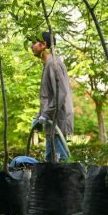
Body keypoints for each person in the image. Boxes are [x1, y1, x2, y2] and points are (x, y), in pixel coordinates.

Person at [30, 32, 74, 162]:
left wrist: (46, 115)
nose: (31, 46)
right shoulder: (48, 64)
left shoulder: (53, 64)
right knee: (50, 161)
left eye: (34, 43)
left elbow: (60, 94)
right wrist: (39, 117)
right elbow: (47, 97)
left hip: (57, 121)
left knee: (62, 163)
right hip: (52, 122)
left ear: (44, 45)